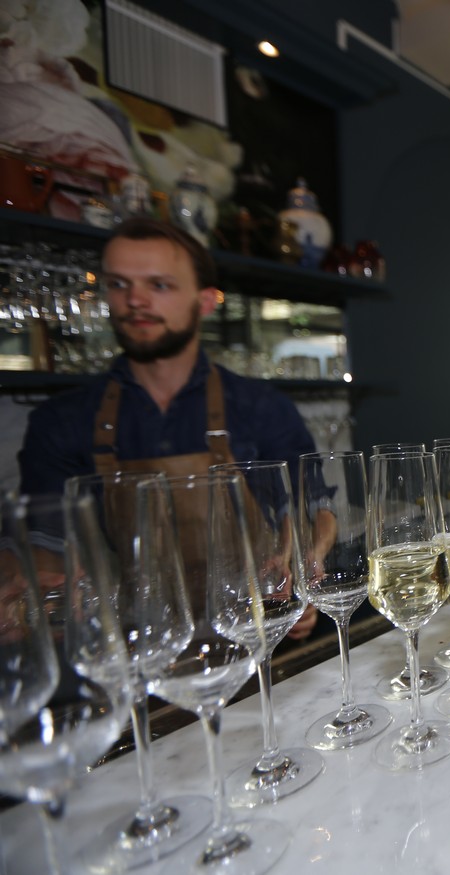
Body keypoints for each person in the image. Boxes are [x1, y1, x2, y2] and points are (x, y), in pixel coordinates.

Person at [18, 217, 319, 641]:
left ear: (206, 301)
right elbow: (44, 541)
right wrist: (34, 585)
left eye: (159, 285)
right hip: (136, 647)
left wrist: (299, 570)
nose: (135, 300)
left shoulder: (261, 408)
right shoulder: (62, 421)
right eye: (119, 284)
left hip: (254, 637)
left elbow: (310, 507)